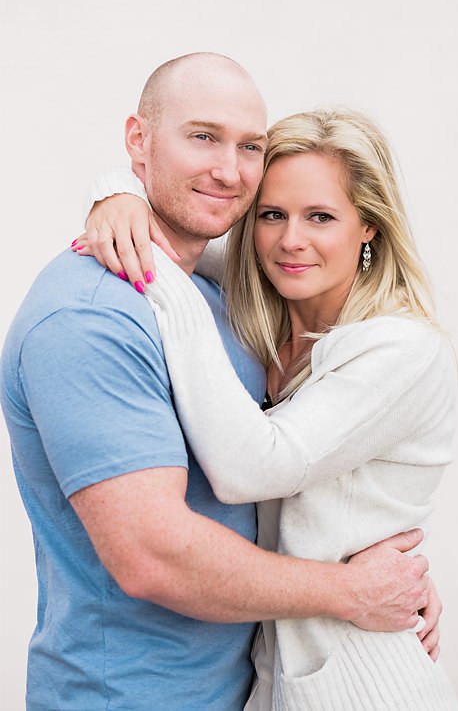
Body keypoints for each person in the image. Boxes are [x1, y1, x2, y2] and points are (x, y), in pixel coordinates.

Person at [1, 53, 436, 711]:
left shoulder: (218, 296)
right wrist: (350, 591)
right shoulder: (88, 316)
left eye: (249, 146)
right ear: (139, 141)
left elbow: (297, 479)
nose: (229, 169)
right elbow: (153, 556)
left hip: (244, 686)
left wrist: (388, 570)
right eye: (202, 136)